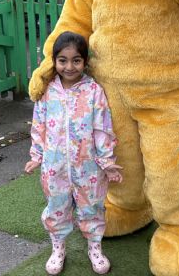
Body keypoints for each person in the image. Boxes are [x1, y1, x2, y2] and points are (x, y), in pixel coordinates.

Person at [24, 31, 123, 275]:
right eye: (63, 60)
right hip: (54, 166)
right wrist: (37, 155)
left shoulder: (93, 91)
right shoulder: (47, 91)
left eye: (76, 60)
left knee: (92, 206)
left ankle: (94, 247)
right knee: (56, 206)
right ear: (54, 61)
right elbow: (39, 125)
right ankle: (58, 247)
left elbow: (102, 128)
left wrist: (107, 161)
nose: (69, 67)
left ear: (85, 61)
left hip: (89, 167)